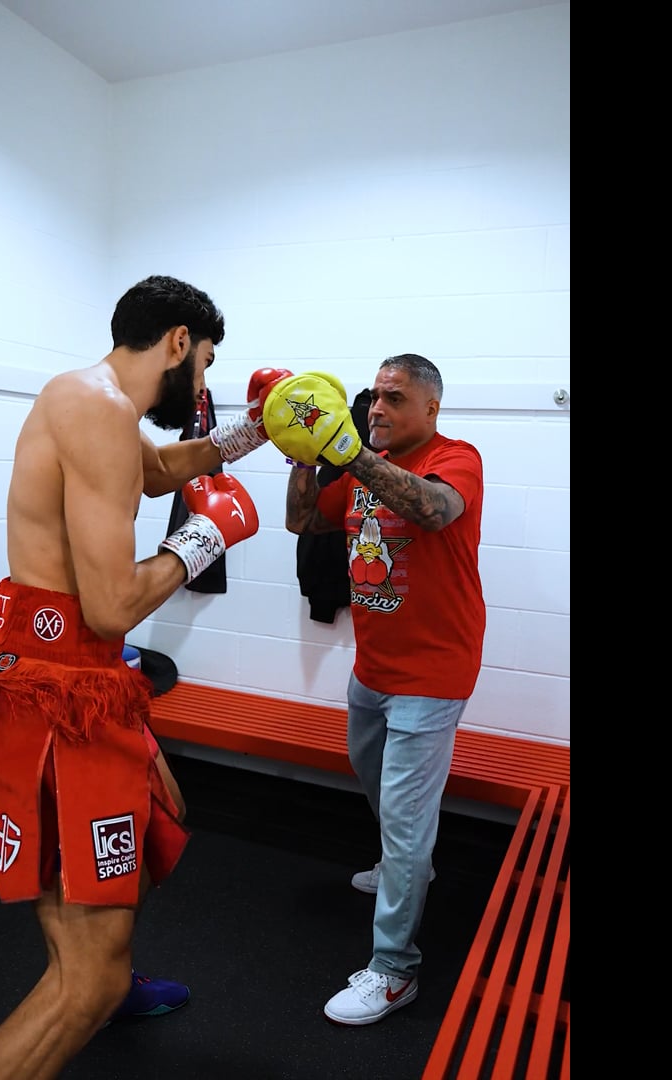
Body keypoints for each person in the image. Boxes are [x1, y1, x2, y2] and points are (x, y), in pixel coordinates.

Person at [0, 274, 291, 1078]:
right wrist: (201, 542)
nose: (203, 384)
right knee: (89, 977)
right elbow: (111, 606)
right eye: (206, 362)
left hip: (73, 674)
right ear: (179, 341)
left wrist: (256, 434)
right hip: (56, 686)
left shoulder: (97, 402)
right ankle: (93, 985)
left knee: (158, 813)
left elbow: (153, 473)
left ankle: (101, 971)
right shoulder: (100, 408)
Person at [270, 354, 485, 1026]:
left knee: (403, 819)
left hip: (434, 672)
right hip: (375, 668)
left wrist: (349, 451)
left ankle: (395, 970)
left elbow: (434, 510)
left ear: (431, 407)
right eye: (375, 399)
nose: (377, 409)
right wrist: (303, 453)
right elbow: (304, 521)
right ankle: (406, 866)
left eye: (394, 398)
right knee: (373, 777)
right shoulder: (359, 466)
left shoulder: (455, 458)